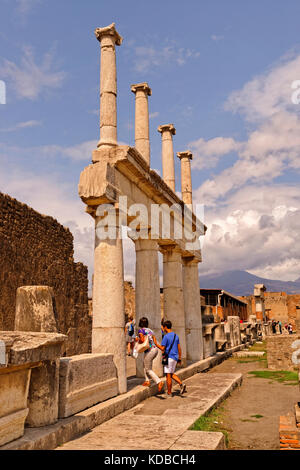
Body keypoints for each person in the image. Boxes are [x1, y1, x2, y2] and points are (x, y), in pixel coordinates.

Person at [156, 320, 187, 397]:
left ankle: (170, 393)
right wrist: (179, 357)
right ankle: (181, 384)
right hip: (175, 357)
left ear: (165, 327)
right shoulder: (176, 336)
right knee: (171, 373)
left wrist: (155, 343)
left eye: (163, 327)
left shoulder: (166, 337)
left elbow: (162, 348)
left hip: (169, 357)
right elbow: (179, 348)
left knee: (168, 375)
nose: (162, 329)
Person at [136, 317, 164, 392]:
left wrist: (137, 339)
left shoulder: (141, 330)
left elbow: (142, 340)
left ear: (140, 323)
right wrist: (161, 348)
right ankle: (147, 380)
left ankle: (159, 381)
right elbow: (154, 341)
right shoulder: (150, 331)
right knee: (145, 365)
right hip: (155, 350)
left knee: (148, 369)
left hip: (149, 351)